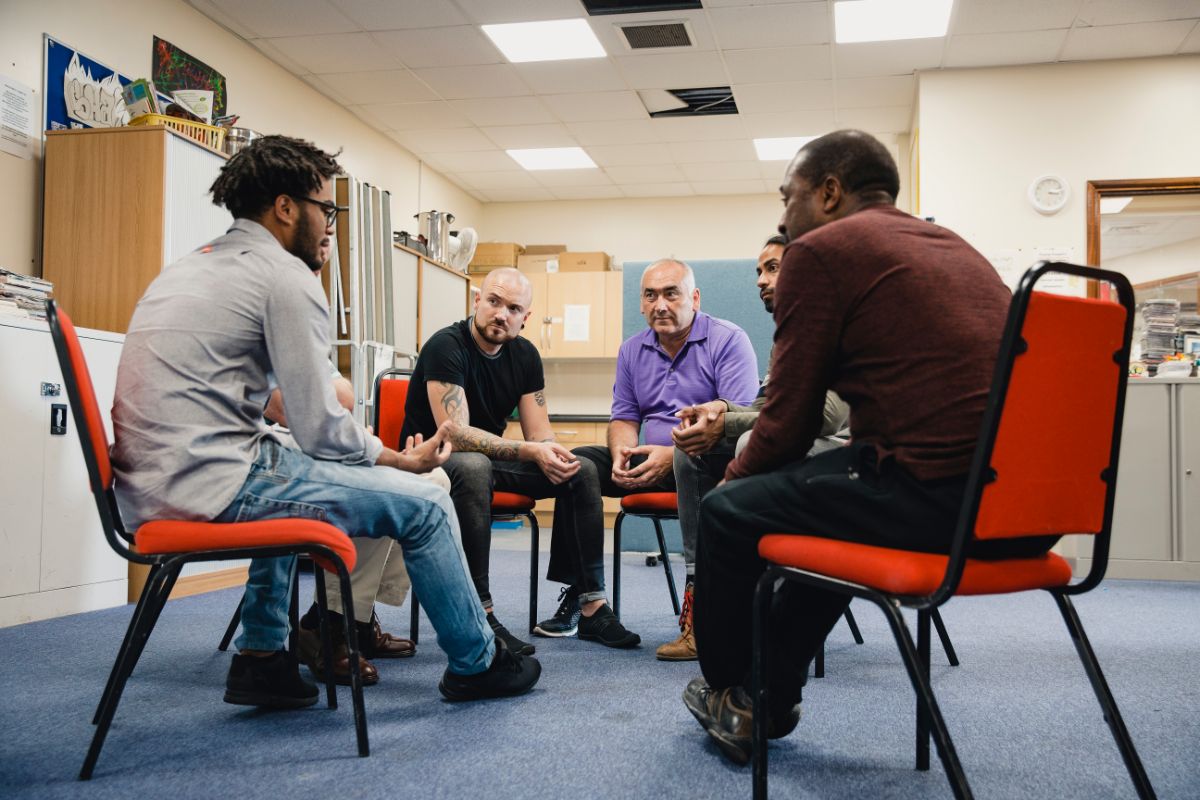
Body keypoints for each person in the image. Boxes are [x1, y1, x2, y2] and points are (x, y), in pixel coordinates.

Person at [109, 134, 540, 709]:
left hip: (147, 487)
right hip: (207, 484)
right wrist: (399, 461)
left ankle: (262, 656)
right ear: (286, 208)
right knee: (427, 502)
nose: (332, 225)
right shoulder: (284, 278)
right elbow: (320, 431)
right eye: (326, 209)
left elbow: (267, 407)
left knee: (289, 461)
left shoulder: (191, 268)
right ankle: (477, 664)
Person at [681, 129, 1057, 764]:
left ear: (829, 192)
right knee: (836, 523)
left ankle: (733, 694)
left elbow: (788, 425)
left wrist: (731, 479)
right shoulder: (954, 247)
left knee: (726, 511)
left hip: (933, 504)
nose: (782, 216)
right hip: (1024, 514)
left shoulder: (824, 251)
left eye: (788, 195)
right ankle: (765, 692)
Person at [401, 267, 642, 651]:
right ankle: (481, 611)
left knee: (579, 467)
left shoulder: (525, 355)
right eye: (494, 302)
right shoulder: (445, 345)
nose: (501, 314)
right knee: (474, 466)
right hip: (433, 456)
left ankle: (591, 605)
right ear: (476, 300)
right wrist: (532, 451)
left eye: (513, 308)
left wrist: (551, 451)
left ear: (525, 318)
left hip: (491, 460)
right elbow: (456, 434)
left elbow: (539, 432)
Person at [537, 259, 759, 637]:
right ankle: (589, 600)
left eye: (671, 294)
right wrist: (624, 452)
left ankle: (709, 600)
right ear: (641, 303)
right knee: (577, 464)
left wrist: (670, 456)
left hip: (706, 467)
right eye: (650, 295)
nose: (660, 305)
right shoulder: (632, 350)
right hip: (647, 461)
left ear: (694, 297)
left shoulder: (727, 339)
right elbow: (624, 416)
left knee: (705, 453)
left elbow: (734, 424)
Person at [656, 236, 849, 661]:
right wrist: (716, 415)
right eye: (759, 271)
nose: (761, 280)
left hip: (848, 455)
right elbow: (768, 408)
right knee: (692, 448)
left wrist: (729, 423)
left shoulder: (837, 322)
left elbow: (826, 415)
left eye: (773, 268)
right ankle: (700, 597)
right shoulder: (787, 335)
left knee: (747, 440)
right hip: (802, 444)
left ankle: (769, 610)